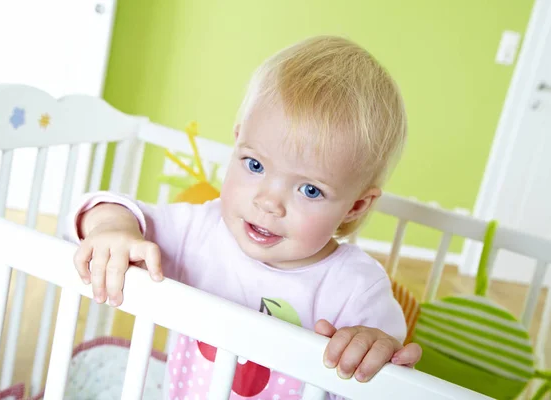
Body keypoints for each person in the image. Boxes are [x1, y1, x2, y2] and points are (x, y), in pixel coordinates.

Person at [69, 35, 422, 399]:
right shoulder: (202, 230)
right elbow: (115, 212)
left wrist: (373, 350)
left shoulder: (355, 286)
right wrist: (113, 227)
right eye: (254, 165)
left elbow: (388, 370)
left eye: (310, 190)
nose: (269, 202)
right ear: (237, 143)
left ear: (356, 207)